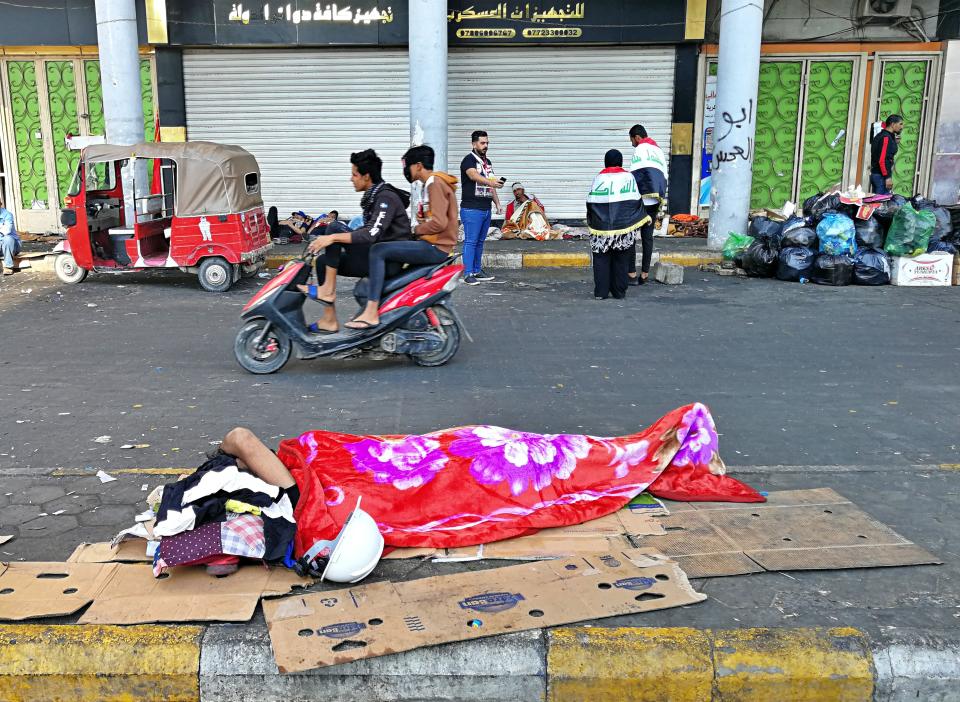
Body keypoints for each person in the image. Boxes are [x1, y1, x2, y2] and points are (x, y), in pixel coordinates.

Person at [296, 149, 413, 333]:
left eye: (354, 174)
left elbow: (371, 234)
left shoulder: (385, 197)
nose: (351, 179)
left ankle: (327, 290)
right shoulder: (374, 196)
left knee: (334, 228)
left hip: (386, 261)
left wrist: (332, 237)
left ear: (366, 177)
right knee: (323, 262)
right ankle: (329, 319)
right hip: (373, 253)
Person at [347, 144, 457, 330]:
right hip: (433, 244)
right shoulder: (431, 184)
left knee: (378, 250)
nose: (406, 170)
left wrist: (415, 231)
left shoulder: (435, 184)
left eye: (408, 165)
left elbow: (439, 223)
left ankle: (372, 311)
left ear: (419, 166)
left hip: (435, 247)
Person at [586, 149, 650, 300]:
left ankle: (601, 293)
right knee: (621, 259)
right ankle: (619, 292)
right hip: (623, 229)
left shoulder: (599, 178)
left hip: (601, 229)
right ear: (620, 161)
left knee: (601, 259)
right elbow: (636, 200)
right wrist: (643, 217)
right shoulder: (628, 177)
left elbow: (591, 202)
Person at [460, 130, 504, 285]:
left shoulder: (487, 162)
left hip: (485, 208)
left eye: (487, 143)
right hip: (472, 208)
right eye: (482, 143)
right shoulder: (469, 160)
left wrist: (497, 203)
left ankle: (477, 270)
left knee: (480, 241)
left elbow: (491, 184)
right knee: (471, 241)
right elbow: (473, 176)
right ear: (474, 144)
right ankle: (467, 273)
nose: (485, 146)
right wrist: (490, 182)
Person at [627, 124, 667, 285]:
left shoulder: (640, 149)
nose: (632, 144)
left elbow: (635, 174)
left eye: (631, 140)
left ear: (637, 137)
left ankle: (630, 273)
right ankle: (644, 274)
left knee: (629, 235)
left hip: (641, 200)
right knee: (647, 237)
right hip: (655, 200)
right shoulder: (658, 151)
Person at [870, 114, 903, 195]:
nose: (902, 127)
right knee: (880, 204)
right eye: (900, 124)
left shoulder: (882, 136)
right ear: (892, 124)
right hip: (881, 176)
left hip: (878, 174)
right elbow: (882, 159)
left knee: (878, 203)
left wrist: (894, 142)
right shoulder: (886, 138)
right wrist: (887, 177)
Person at [0, 196, 20, 276]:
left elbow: (6, 231)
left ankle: (8, 267)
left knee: (8, 239)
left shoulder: (7, 215)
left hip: (12, 246)